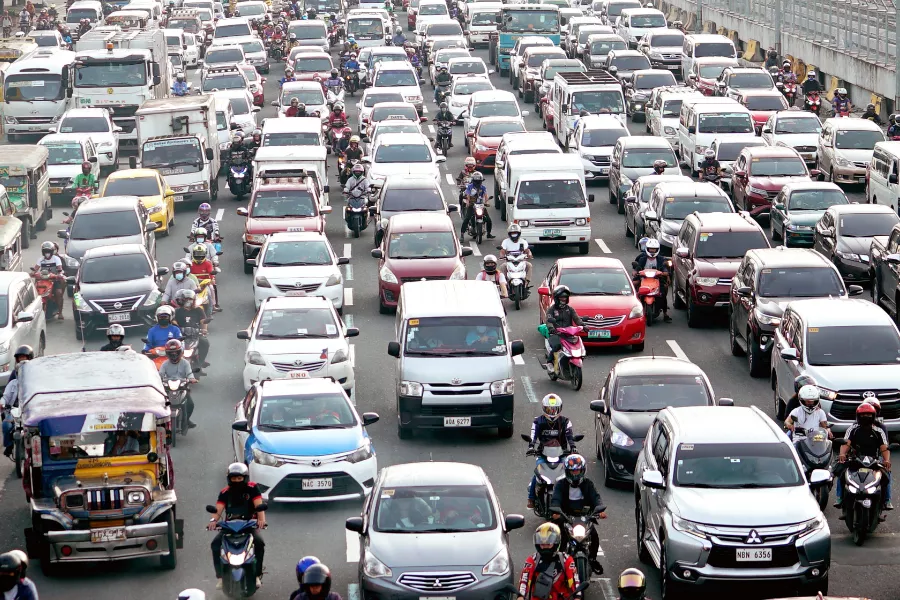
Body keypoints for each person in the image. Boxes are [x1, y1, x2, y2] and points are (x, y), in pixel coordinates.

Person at [208, 463, 267, 589]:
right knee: (215, 544)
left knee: (259, 543)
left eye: (239, 478)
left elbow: (259, 505)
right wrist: (213, 521)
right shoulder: (224, 492)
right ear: (229, 479)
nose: (236, 481)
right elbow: (218, 510)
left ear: (245, 478)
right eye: (234, 478)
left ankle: (257, 575)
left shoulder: (252, 488)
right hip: (229, 526)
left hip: (249, 525)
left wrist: (261, 520)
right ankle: (220, 577)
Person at [550, 454, 607, 574]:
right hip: (566, 517)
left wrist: (600, 510)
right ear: (567, 471)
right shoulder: (560, 485)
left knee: (594, 536)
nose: (575, 474)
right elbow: (556, 499)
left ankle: (592, 559)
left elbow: (596, 498)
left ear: (583, 470)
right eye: (572, 471)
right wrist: (555, 511)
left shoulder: (588, 484)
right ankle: (558, 562)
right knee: (559, 538)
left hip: (584, 517)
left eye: (577, 470)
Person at [834, 403, 892, 511]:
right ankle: (840, 497)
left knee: (887, 474)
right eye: (863, 414)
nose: (866, 417)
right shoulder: (853, 428)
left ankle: (887, 500)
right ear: (858, 415)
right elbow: (846, 443)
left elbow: (884, 448)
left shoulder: (879, 430)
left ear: (874, 416)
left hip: (874, 459)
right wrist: (842, 454)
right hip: (855, 458)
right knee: (841, 471)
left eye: (869, 415)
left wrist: (887, 460)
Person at [526, 393, 574, 509]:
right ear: (544, 408)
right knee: (537, 473)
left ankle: (571, 498)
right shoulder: (538, 421)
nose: (552, 412)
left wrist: (573, 447)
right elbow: (533, 435)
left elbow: (570, 436)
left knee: (569, 474)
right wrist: (531, 446)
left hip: (561, 453)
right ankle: (531, 498)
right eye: (549, 409)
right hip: (543, 454)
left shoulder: (565, 421)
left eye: (554, 409)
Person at [516, 523, 582, 600]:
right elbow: (524, 582)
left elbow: (575, 582)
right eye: (542, 544)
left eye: (548, 544)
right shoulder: (532, 561)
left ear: (556, 542)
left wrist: (577, 597)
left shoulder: (566, 560)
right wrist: (520, 597)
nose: (545, 547)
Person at [159, 339, 198, 427]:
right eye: (171, 353)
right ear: (167, 354)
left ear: (181, 352)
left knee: (190, 404)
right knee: (160, 404)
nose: (174, 355)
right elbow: (160, 375)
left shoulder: (185, 363)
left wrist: (191, 379)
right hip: (168, 389)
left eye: (176, 353)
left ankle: (187, 420)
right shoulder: (164, 364)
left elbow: (189, 373)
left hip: (182, 388)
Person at [2, 346, 32, 459]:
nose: (22, 361)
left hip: (30, 409)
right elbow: (6, 396)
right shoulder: (13, 381)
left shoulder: (35, 379)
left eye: (24, 358)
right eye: (20, 359)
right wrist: (2, 403)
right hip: (15, 410)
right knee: (6, 424)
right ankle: (9, 446)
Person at [632, 238, 671, 322]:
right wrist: (635, 271)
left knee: (663, 293)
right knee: (633, 284)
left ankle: (665, 313)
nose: (652, 251)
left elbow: (665, 268)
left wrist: (664, 273)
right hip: (643, 278)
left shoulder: (661, 259)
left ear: (657, 250)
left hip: (657, 279)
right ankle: (633, 306)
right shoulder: (642, 258)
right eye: (651, 249)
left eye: (654, 249)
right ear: (647, 249)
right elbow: (638, 267)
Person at [544, 285, 583, 367]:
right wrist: (551, 328)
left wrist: (584, 326)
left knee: (577, 345)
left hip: (568, 334)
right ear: (557, 298)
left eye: (565, 297)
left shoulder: (570, 309)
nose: (564, 299)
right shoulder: (551, 310)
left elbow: (577, 319)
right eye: (562, 297)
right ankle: (549, 362)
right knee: (557, 346)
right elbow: (548, 320)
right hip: (556, 334)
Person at [173, 289, 210, 371]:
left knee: (205, 342)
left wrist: (204, 331)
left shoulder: (198, 310)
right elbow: (173, 321)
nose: (188, 301)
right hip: (181, 335)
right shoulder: (177, 311)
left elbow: (203, 321)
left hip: (195, 334)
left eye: (190, 299)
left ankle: (201, 361)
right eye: (186, 299)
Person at [32, 240, 65, 320]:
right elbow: (35, 269)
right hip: (43, 280)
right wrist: (32, 273)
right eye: (45, 251)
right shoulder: (40, 259)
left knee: (58, 293)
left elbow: (59, 269)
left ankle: (60, 313)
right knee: (34, 293)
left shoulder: (56, 259)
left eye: (48, 251)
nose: (47, 253)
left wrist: (59, 274)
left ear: (52, 251)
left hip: (54, 280)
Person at [460, 171, 494, 240]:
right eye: (476, 181)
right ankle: (462, 235)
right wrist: (468, 203)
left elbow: (486, 196)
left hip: (481, 205)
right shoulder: (470, 187)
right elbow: (468, 195)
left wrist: (487, 202)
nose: (478, 182)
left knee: (488, 220)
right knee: (467, 219)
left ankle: (488, 233)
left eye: (479, 181)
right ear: (473, 180)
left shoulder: (483, 188)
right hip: (472, 205)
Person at [189, 243, 220, 312]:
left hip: (205, 282)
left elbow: (211, 273)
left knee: (211, 289)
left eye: (200, 254)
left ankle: (213, 305)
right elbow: (188, 274)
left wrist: (212, 280)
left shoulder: (208, 263)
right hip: (194, 282)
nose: (199, 256)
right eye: (197, 254)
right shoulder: (191, 264)